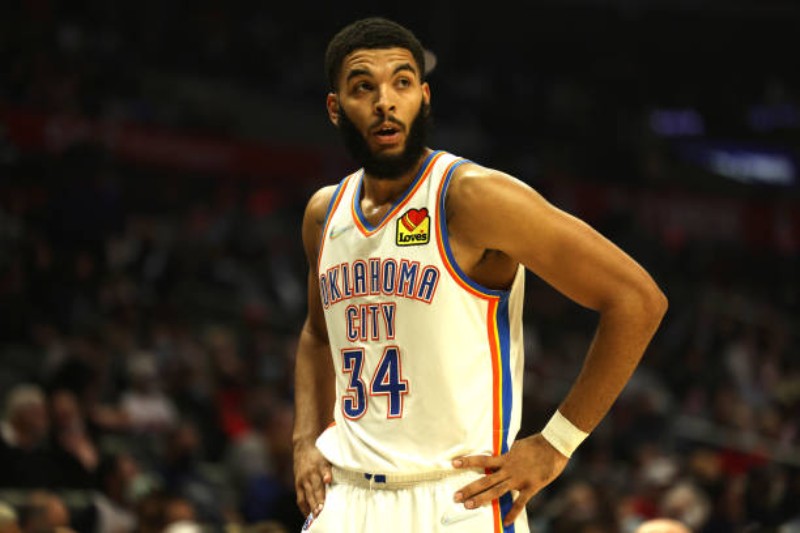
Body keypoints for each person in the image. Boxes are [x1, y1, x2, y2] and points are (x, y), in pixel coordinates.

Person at [292, 16, 668, 533]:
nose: (385, 102)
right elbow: (317, 335)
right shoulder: (324, 214)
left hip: (456, 497)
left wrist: (556, 444)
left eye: (402, 83)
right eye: (363, 87)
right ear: (335, 108)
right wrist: (304, 439)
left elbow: (637, 299)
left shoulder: (471, 198)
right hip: (347, 496)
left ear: (424, 97)